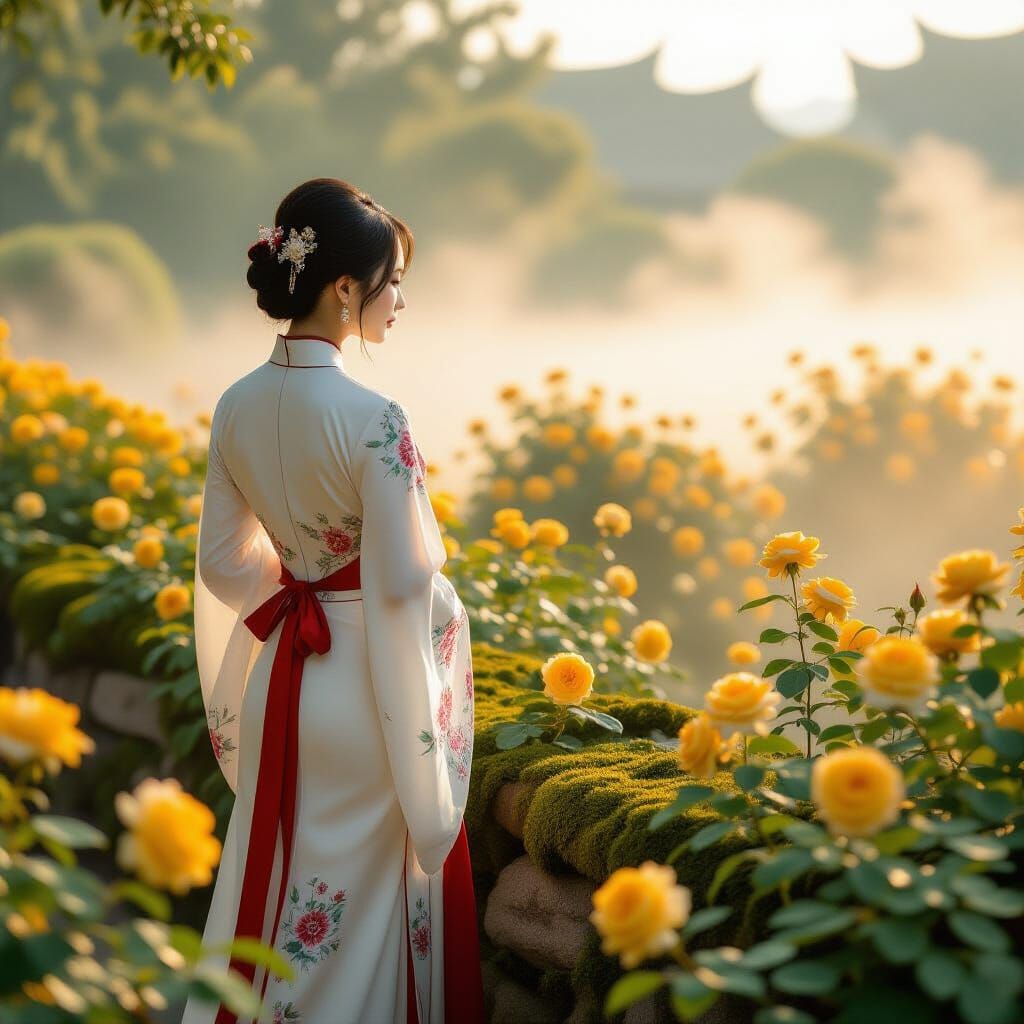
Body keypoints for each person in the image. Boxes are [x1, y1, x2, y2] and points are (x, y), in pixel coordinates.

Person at [181, 178, 484, 1024]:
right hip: (366, 691)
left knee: (283, 898)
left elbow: (220, 563)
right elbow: (403, 584)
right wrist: (442, 622)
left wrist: (295, 601)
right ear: (346, 288)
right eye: (391, 281)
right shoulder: (376, 417)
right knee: (358, 922)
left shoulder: (236, 406)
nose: (400, 299)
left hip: (285, 678)